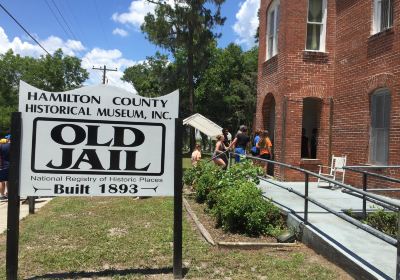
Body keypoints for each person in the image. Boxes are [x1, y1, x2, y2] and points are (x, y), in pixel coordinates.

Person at [0, 135, 10, 200]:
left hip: (3, 165)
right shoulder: (14, 146)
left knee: (1, 181)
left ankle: (2, 195)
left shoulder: (1, 146)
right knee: (9, 181)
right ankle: (9, 193)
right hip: (12, 166)